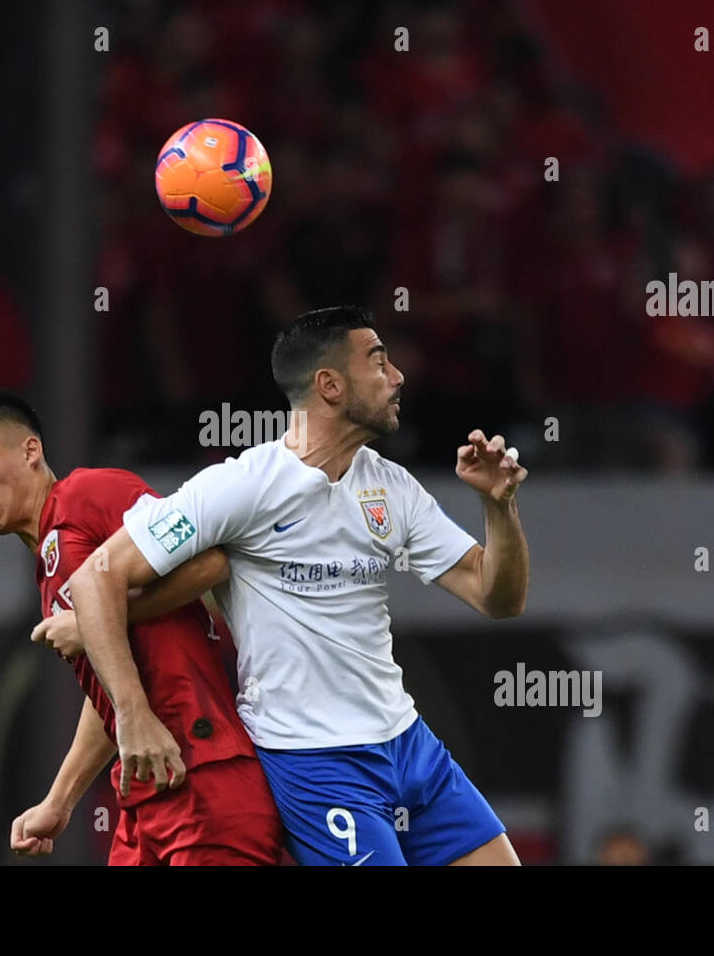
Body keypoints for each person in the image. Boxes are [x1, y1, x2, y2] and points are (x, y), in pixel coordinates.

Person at [67, 305, 530, 865]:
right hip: (317, 763)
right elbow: (96, 578)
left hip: (408, 742)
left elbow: (498, 597)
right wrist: (133, 715)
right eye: (378, 362)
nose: (398, 376)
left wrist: (498, 507)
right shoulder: (242, 487)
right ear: (329, 385)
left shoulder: (392, 486)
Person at [0, 387, 282, 865]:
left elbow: (210, 563)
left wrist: (98, 624)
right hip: (145, 796)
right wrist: (60, 800)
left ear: (30, 450)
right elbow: (110, 690)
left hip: (203, 778)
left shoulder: (88, 493)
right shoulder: (49, 564)